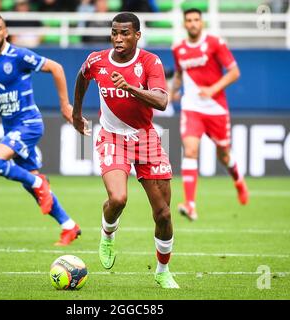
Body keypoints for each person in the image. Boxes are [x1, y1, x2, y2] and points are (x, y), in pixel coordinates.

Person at [72, 12, 179, 289]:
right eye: (115, 33)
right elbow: (82, 78)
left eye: (125, 34)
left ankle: (162, 271)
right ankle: (108, 234)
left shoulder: (150, 62)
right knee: (118, 199)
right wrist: (76, 114)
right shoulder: (97, 60)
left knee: (164, 214)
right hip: (112, 137)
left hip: (146, 139)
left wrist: (130, 88)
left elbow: (162, 101)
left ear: (137, 36)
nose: (118, 39)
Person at [0, 13, 81, 246]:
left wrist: (65, 105)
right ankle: (69, 226)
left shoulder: (18, 55)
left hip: (29, 124)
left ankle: (40, 183)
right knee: (30, 182)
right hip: (11, 128)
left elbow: (56, 68)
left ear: (5, 32)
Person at [170, 8, 249, 221]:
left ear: (201, 23)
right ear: (185, 24)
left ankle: (238, 180)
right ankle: (190, 204)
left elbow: (234, 72)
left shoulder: (215, 43)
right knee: (190, 150)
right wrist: (171, 92)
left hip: (216, 108)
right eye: (189, 20)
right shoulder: (178, 49)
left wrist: (213, 89)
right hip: (192, 108)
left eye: (196, 19)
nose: (193, 23)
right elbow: (179, 74)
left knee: (223, 154)